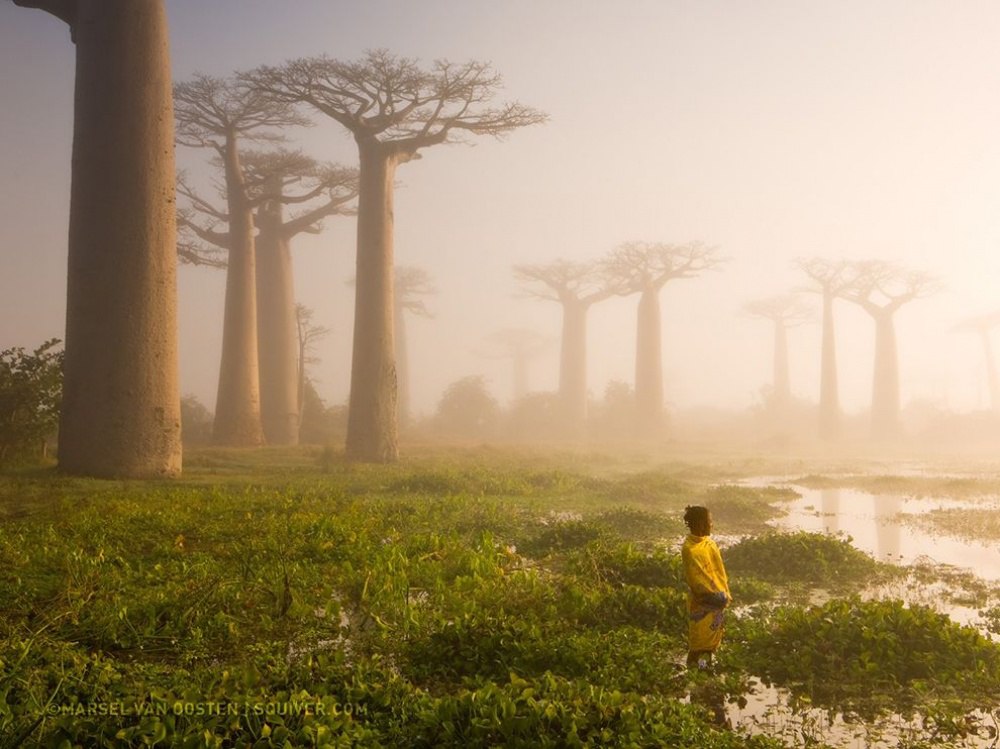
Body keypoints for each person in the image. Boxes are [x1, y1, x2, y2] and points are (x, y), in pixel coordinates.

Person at [681, 505, 731, 669]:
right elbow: (695, 579)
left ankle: (704, 670)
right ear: (701, 523)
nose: (712, 524)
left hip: (717, 600)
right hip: (702, 603)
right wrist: (712, 596)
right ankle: (696, 672)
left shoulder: (710, 543)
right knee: (698, 644)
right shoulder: (690, 548)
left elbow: (718, 571)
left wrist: (722, 593)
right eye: (709, 521)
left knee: (710, 645)